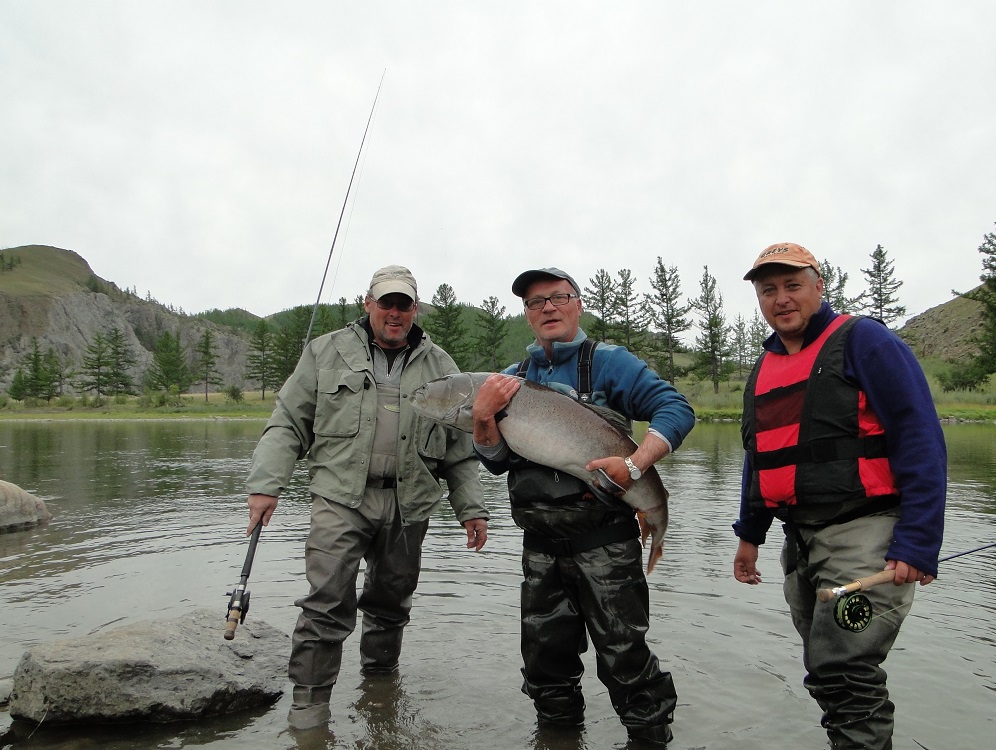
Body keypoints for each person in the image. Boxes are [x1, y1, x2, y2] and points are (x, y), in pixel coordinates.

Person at [244, 264, 489, 730]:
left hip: (410, 503)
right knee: (326, 601)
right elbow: (289, 422)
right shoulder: (325, 350)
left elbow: (460, 450)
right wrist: (265, 485)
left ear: (415, 310)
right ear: (368, 304)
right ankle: (309, 709)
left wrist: (471, 509)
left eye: (404, 305)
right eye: (386, 303)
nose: (395, 313)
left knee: (391, 602)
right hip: (339, 499)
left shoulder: (442, 366)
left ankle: (380, 689)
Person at [732, 243, 946, 750]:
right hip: (800, 541)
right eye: (769, 290)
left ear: (818, 286)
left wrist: (918, 542)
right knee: (825, 671)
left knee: (845, 669)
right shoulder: (763, 367)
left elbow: (919, 436)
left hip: (865, 533)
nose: (781, 299)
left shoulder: (864, 340)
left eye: (793, 285)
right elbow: (759, 457)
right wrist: (749, 535)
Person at [470, 267, 695, 747]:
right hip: (539, 550)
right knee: (544, 666)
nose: (547, 308)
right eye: (535, 302)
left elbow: (677, 409)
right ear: (527, 315)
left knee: (625, 660)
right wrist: (483, 417)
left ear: (577, 303)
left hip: (606, 545)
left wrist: (634, 466)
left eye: (558, 297)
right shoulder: (510, 379)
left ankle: (650, 738)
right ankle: (557, 737)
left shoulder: (610, 363)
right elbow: (495, 462)